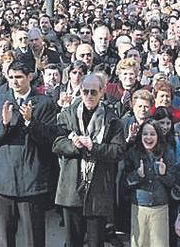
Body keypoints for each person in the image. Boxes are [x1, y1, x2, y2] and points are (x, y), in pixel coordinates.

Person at [0, 60, 58, 247]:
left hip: (32, 180)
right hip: (4, 180)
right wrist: (4, 124)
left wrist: (30, 123)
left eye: (19, 77)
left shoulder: (44, 102)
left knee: (34, 236)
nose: (14, 82)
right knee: (4, 237)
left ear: (29, 77)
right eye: (11, 77)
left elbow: (50, 138)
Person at [53, 73, 125, 247]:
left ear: (102, 92)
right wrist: (74, 145)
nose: (89, 96)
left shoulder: (112, 118)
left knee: (96, 243)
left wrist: (94, 147)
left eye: (94, 92)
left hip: (98, 190)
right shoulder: (69, 113)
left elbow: (118, 150)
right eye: (85, 92)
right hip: (71, 187)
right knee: (72, 242)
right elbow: (56, 143)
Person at [125, 118, 176, 247]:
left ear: (158, 136)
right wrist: (137, 175)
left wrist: (163, 175)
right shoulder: (133, 153)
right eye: (145, 134)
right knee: (139, 243)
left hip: (160, 206)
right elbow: (124, 181)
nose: (149, 137)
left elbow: (173, 182)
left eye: (152, 134)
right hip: (139, 206)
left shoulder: (167, 152)